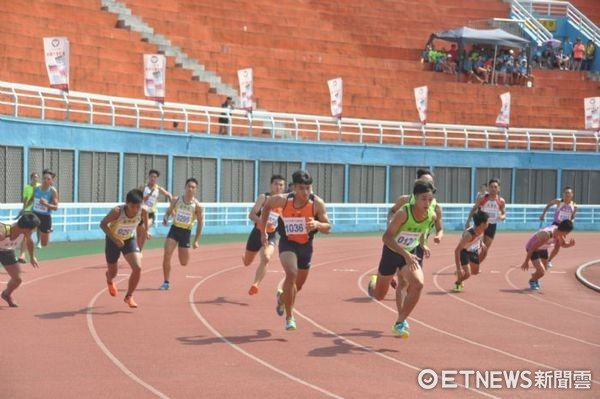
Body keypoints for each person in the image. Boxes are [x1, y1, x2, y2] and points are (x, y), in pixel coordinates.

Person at [259, 170, 331, 331]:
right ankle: (290, 317)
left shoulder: (317, 203)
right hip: (288, 243)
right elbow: (267, 207)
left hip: (306, 246)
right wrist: (263, 231)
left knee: (297, 285)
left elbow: (328, 227)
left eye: (308, 188)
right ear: (294, 188)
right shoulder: (283, 200)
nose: (305, 192)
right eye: (301, 188)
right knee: (291, 274)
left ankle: (282, 298)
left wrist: (318, 225)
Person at [369, 180, 437, 338]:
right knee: (379, 295)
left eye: (430, 199)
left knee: (418, 284)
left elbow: (420, 232)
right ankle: (373, 283)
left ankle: (400, 322)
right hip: (392, 252)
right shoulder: (404, 213)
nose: (427, 203)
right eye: (423, 199)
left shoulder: (431, 216)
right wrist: (405, 254)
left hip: (409, 254)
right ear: (415, 198)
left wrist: (423, 244)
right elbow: (386, 238)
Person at [386, 169, 443, 289]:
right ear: (417, 182)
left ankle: (399, 283)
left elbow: (440, 228)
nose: (428, 185)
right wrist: (390, 223)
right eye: (424, 181)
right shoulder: (404, 200)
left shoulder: (436, 207)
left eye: (431, 183)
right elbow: (392, 211)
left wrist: (438, 236)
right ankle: (393, 278)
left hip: (420, 244)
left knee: (413, 280)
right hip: (400, 241)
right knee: (404, 278)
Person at [100, 189, 148, 308]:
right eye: (133, 206)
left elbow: (142, 224)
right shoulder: (117, 211)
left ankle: (129, 296)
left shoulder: (143, 211)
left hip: (129, 240)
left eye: (138, 206)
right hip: (113, 241)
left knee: (138, 268)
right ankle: (109, 279)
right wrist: (115, 239)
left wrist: (146, 232)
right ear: (127, 203)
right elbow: (103, 224)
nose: (136, 209)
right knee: (113, 272)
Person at [243, 174, 286, 295]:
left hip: (270, 235)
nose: (278, 187)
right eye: (276, 184)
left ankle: (255, 284)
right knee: (247, 262)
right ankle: (245, 257)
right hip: (257, 234)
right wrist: (263, 222)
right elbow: (251, 215)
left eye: (281, 185)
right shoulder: (264, 197)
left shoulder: (284, 202)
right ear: (271, 185)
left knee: (266, 258)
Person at [159, 178, 204, 290]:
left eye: (193, 187)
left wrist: (196, 240)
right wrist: (165, 218)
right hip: (174, 230)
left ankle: (183, 255)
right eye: (189, 186)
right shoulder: (176, 199)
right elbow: (169, 211)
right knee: (167, 255)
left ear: (196, 190)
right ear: (185, 187)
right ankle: (166, 282)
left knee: (184, 262)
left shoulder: (197, 206)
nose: (190, 189)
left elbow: (200, 223)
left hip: (186, 233)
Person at [0, 213, 41, 307]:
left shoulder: (26, 232)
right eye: (34, 229)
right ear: (26, 229)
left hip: (6, 251)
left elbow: (29, 242)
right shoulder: (3, 232)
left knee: (17, 280)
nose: (34, 231)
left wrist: (32, 256)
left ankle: (6, 294)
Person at [521, 220, 575, 290]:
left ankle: (535, 275)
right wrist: (526, 262)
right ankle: (532, 280)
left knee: (544, 269)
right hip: (533, 249)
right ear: (566, 231)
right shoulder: (547, 234)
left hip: (543, 248)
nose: (568, 234)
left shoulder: (559, 233)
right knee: (542, 272)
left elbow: (563, 244)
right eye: (568, 232)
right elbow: (532, 248)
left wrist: (570, 245)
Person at [465, 178, 506, 259]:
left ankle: (476, 265)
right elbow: (474, 209)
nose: (493, 189)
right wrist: (468, 221)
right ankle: (465, 264)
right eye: (491, 187)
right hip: (480, 225)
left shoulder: (501, 201)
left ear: (499, 189)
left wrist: (501, 217)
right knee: (472, 246)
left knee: (485, 249)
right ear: (488, 188)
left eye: (495, 187)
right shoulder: (483, 198)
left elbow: (504, 214)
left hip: (492, 226)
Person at [453, 210, 489, 292]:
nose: (488, 224)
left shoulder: (481, 229)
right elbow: (457, 251)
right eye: (487, 222)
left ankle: (462, 272)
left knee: (475, 272)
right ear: (482, 224)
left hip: (473, 250)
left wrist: (481, 244)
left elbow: (478, 237)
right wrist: (458, 269)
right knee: (467, 274)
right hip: (464, 251)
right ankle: (458, 282)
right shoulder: (468, 235)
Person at [137, 169, 172, 250]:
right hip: (141, 213)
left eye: (155, 177)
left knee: (144, 227)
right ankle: (139, 249)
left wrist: (171, 206)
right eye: (151, 176)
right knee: (139, 235)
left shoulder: (158, 188)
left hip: (151, 214)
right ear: (148, 177)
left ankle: (141, 247)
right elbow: (138, 199)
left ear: (157, 179)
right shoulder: (143, 187)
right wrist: (149, 194)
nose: (153, 178)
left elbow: (168, 194)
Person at [31, 169, 59, 248]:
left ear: (51, 181)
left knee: (44, 243)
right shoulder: (36, 188)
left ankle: (48, 230)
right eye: (44, 178)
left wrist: (46, 204)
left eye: (48, 179)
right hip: (35, 214)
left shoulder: (53, 191)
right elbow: (32, 200)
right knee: (27, 231)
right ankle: (23, 255)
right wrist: (25, 208)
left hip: (45, 216)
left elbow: (56, 207)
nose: (45, 180)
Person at [17, 172, 40, 263]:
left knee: (29, 234)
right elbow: (26, 199)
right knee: (25, 234)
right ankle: (22, 255)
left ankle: (39, 241)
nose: (36, 179)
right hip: (28, 212)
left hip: (37, 212)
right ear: (31, 178)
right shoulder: (27, 187)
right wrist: (23, 208)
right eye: (34, 177)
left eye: (37, 177)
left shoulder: (40, 187)